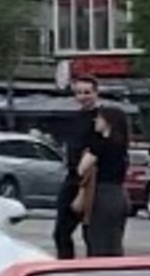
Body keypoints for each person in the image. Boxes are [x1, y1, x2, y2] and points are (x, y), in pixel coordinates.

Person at [72, 105, 133, 258]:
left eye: (99, 118)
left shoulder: (100, 145)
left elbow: (81, 169)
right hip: (119, 194)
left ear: (108, 122)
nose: (96, 121)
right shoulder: (122, 146)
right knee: (113, 241)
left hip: (101, 195)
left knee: (97, 239)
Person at [55, 77, 104, 261]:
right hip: (72, 177)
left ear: (96, 93)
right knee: (61, 231)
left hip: (92, 180)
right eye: (79, 93)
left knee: (91, 232)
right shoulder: (73, 119)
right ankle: (65, 266)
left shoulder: (102, 118)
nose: (83, 97)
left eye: (87, 92)